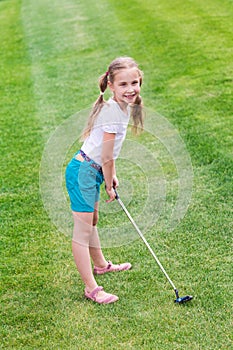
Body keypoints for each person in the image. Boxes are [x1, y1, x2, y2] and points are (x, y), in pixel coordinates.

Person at [65, 57, 144, 304]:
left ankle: (100, 265)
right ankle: (91, 287)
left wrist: (110, 175)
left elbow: (106, 152)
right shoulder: (112, 112)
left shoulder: (121, 108)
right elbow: (107, 156)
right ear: (111, 84)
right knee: (82, 231)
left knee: (93, 221)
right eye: (123, 84)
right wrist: (108, 182)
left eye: (134, 82)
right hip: (84, 172)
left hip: (92, 169)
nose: (130, 89)